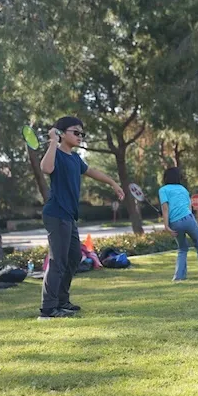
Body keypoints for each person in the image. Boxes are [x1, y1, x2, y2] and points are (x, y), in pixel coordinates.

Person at [38, 116, 125, 320]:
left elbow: (92, 171)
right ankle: (48, 309)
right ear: (61, 133)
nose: (80, 136)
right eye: (75, 132)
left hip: (68, 216)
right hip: (55, 213)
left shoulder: (76, 159)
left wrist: (113, 183)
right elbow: (46, 168)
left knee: (75, 256)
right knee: (57, 260)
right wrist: (52, 142)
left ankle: (62, 300)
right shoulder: (56, 153)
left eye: (82, 133)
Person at [159, 167, 198, 281]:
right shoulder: (183, 189)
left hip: (175, 222)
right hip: (188, 218)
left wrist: (166, 225)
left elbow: (165, 208)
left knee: (182, 249)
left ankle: (179, 276)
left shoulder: (163, 190)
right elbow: (189, 207)